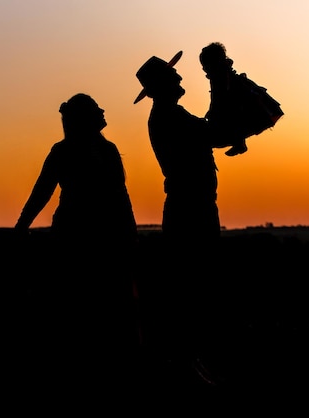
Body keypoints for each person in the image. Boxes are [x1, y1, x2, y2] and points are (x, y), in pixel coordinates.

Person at [14, 93, 140, 372]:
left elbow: (41, 193)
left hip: (79, 235)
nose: (102, 114)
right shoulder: (99, 151)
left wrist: (22, 226)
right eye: (96, 111)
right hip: (90, 237)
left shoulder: (70, 150)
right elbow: (43, 192)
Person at [134, 52, 234, 385]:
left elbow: (213, 132)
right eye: (173, 77)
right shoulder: (168, 116)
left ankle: (189, 361)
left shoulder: (170, 114)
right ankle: (185, 365)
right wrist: (218, 80)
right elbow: (216, 133)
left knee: (192, 288)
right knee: (193, 289)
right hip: (190, 210)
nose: (179, 80)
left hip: (191, 207)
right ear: (162, 85)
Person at [199, 41, 248, 156]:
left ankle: (239, 143)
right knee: (232, 119)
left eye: (205, 65)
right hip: (229, 99)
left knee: (232, 118)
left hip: (230, 101)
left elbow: (219, 96)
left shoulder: (219, 74)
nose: (204, 69)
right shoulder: (220, 72)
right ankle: (239, 142)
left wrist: (212, 111)